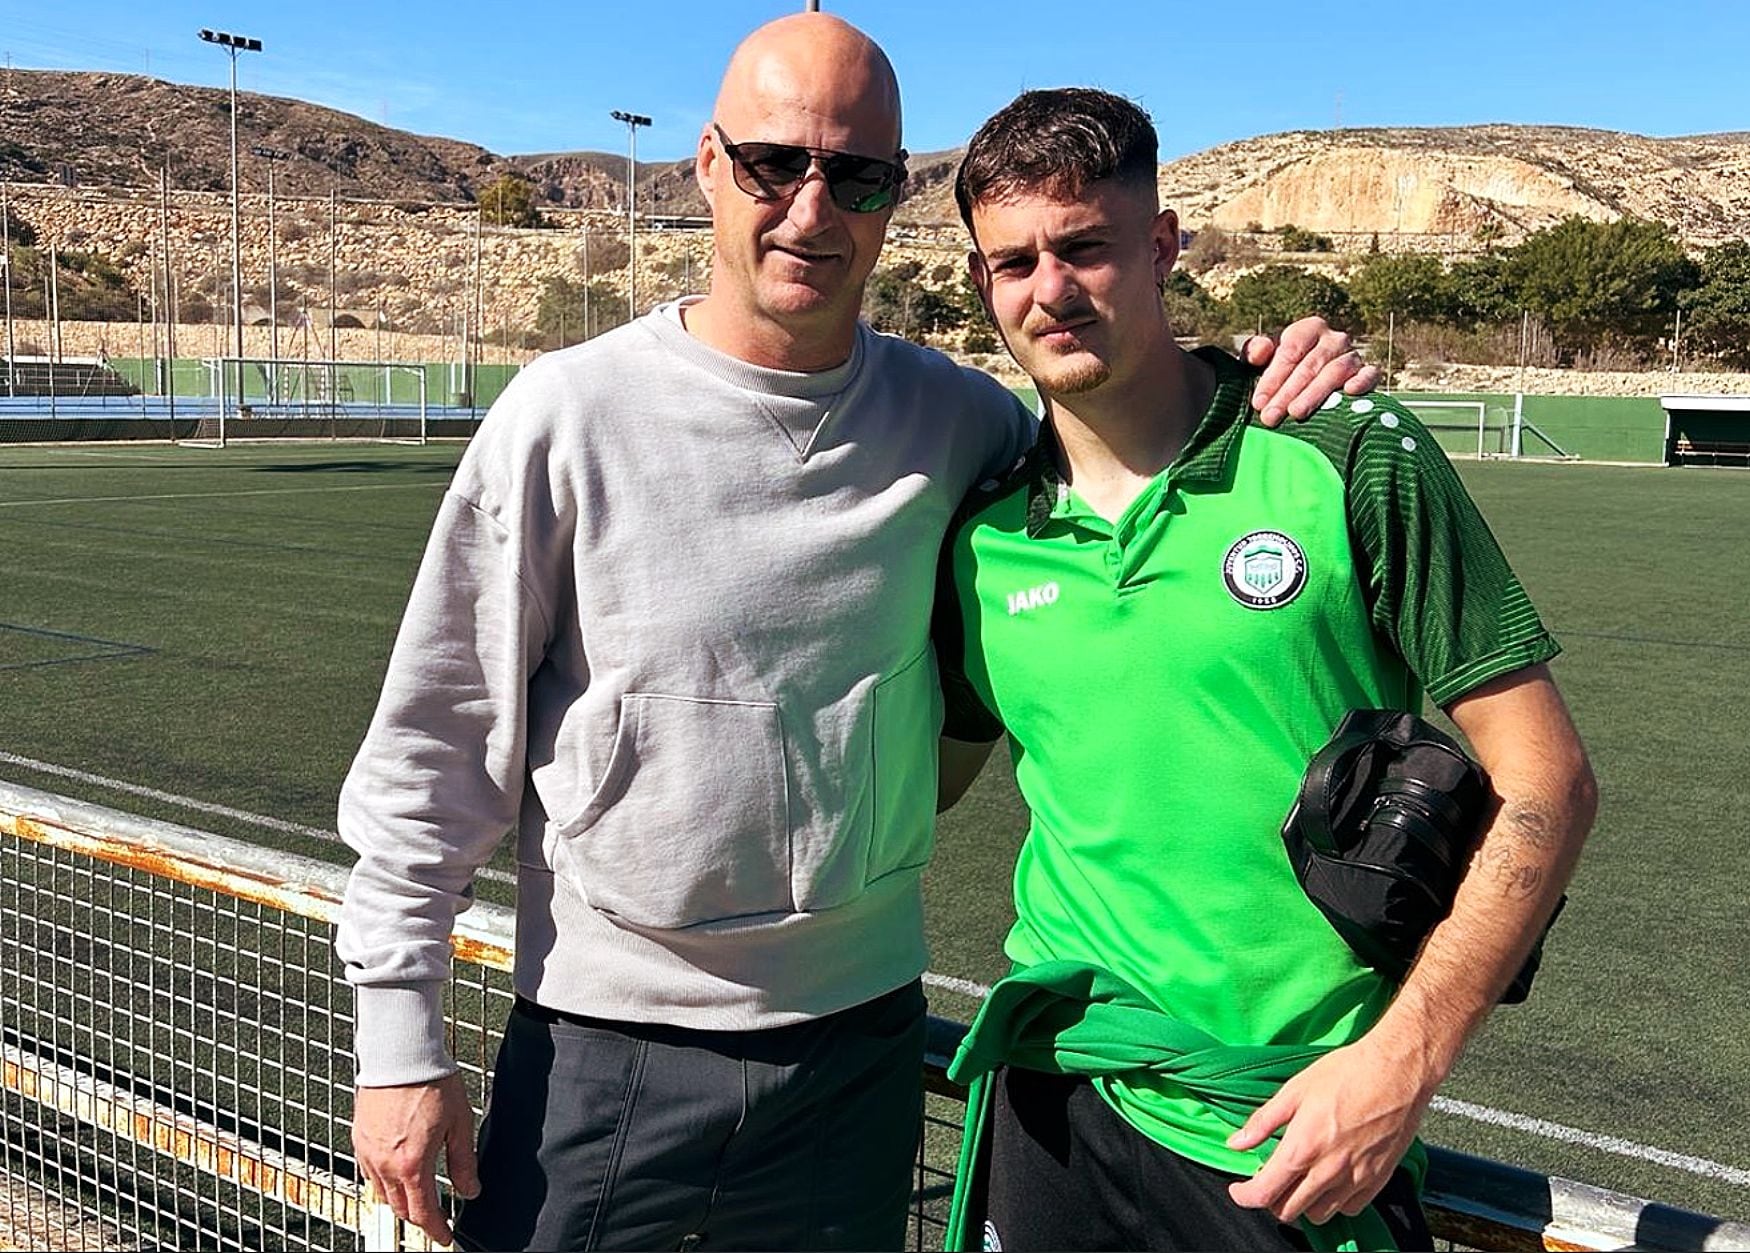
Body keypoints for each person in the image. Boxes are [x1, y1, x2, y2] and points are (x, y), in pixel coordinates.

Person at [336, 17, 1375, 1252]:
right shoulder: (566, 414)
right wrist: (400, 1041)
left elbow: (1133, 422)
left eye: (859, 175)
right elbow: (435, 749)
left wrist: (1272, 371)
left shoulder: (962, 423)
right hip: (608, 1053)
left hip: (860, 1047)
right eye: (777, 163)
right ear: (708, 167)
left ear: (896, 198)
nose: (812, 209)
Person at [933, 87, 1598, 1252]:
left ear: (1159, 244)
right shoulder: (984, 531)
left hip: (1286, 1128)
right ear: (982, 281)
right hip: (1053, 1101)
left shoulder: (1343, 452)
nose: (1049, 288)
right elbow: (915, 782)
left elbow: (1547, 778)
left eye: (1084, 245)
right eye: (1013, 260)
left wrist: (1400, 1065)